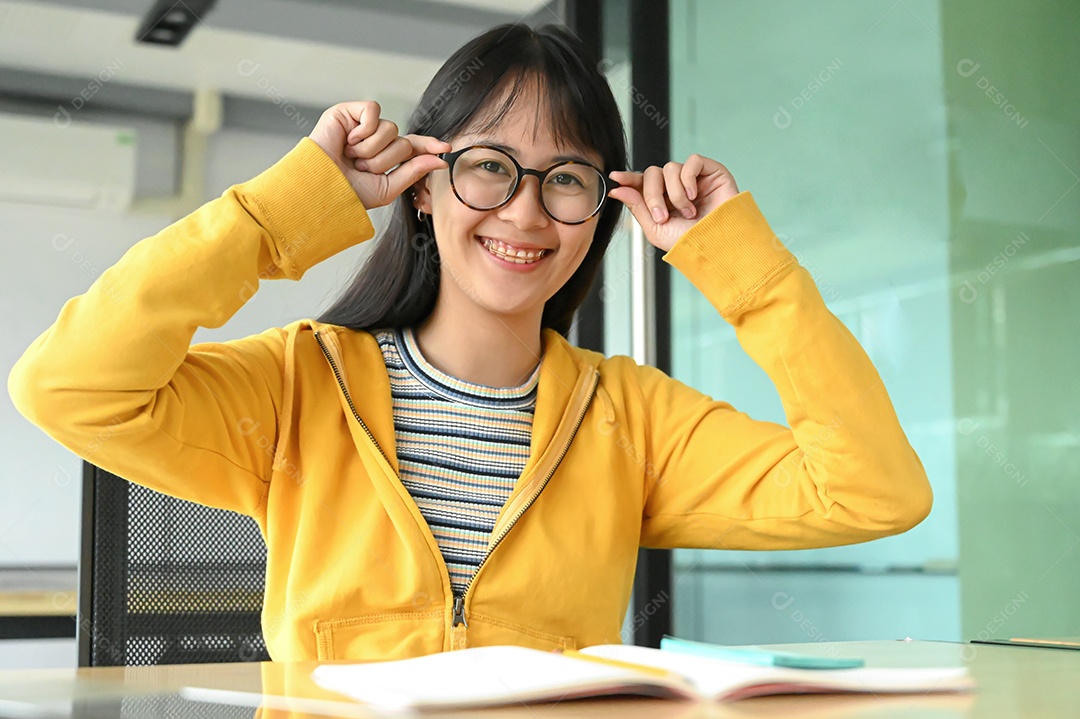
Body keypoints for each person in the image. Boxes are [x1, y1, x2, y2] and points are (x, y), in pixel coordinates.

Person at [7, 23, 931, 662]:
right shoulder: (298, 385)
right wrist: (287, 210)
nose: (526, 213)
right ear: (422, 183)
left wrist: (735, 260)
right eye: (489, 167)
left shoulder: (632, 419)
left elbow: (872, 489)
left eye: (565, 179)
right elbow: (69, 386)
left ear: (599, 210)